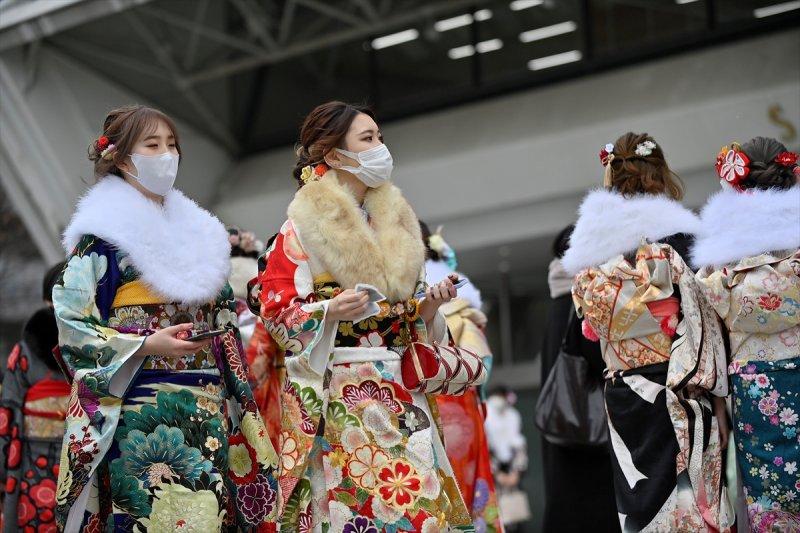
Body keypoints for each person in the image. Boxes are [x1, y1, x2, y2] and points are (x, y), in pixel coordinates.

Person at [52, 105, 278, 531]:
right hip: (141, 405)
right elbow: (71, 322)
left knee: (210, 516)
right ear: (120, 159)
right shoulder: (102, 240)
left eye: (172, 145)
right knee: (149, 515)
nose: (166, 155)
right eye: (152, 145)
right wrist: (146, 343)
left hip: (206, 405)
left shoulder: (200, 234)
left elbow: (225, 317)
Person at [253, 101, 474, 531]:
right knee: (355, 506)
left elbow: (411, 314)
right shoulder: (301, 226)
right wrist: (328, 309)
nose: (380, 148)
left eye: (380, 138)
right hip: (342, 389)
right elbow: (274, 309)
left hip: (403, 389)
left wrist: (429, 306)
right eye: (367, 139)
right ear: (334, 155)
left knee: (419, 509)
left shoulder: (398, 220)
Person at [562, 132, 734, 532]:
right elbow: (709, 325)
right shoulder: (683, 240)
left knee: (642, 504)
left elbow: (581, 341)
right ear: (661, 175)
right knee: (695, 499)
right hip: (683, 384)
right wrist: (721, 400)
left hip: (624, 394)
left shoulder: (592, 252)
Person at [692, 137, 800, 532]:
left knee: (771, 506)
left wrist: (719, 408)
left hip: (756, 389)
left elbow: (713, 340)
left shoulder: (721, 261)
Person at [421, 222, 503, 532]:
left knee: (434, 497)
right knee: (463, 495)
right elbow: (481, 362)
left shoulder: (416, 291)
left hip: (437, 405)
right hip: (461, 409)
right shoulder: (461, 301)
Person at [539, 225, 619, 533]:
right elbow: (595, 359)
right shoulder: (579, 301)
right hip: (590, 429)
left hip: (562, 427)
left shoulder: (556, 303)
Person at [1, 262, 69, 533]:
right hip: (33, 460)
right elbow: (8, 409)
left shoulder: (97, 347)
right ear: (45, 301)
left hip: (80, 454)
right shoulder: (25, 351)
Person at [484, 387, 528, 532]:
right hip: (493, 476)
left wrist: (516, 472)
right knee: (494, 519)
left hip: (512, 473)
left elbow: (519, 444)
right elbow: (485, 447)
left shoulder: (512, 415)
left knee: (515, 518)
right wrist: (497, 474)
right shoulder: (485, 414)